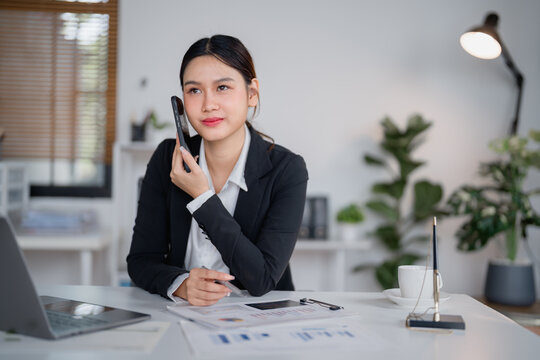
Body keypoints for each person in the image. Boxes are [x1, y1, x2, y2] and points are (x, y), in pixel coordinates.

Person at [127, 35, 308, 306]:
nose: (208, 104)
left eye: (222, 87)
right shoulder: (168, 157)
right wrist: (181, 284)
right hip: (182, 315)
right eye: (194, 90)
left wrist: (202, 197)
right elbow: (140, 261)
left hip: (260, 320)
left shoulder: (286, 170)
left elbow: (262, 279)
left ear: (252, 93)